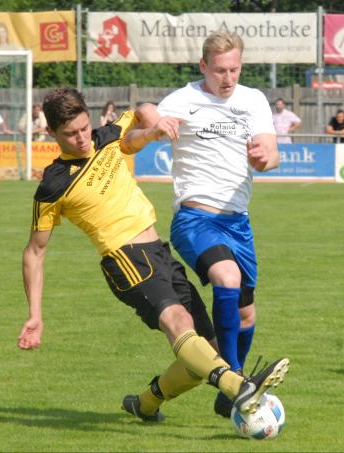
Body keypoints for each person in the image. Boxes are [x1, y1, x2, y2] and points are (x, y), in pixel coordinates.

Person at [18, 87, 289, 424]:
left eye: (85, 128)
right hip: (124, 258)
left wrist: (155, 127)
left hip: (159, 252)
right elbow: (34, 252)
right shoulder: (53, 185)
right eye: (70, 134)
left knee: (208, 350)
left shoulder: (107, 137)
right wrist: (35, 315)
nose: (82, 139)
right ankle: (239, 387)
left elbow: (143, 110)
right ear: (51, 133)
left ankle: (144, 403)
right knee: (180, 323)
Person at [153, 30, 285, 418]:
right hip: (195, 218)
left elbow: (272, 153)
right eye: (220, 71)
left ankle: (227, 393)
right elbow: (146, 112)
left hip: (238, 223)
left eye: (235, 69)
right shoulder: (182, 99)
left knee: (247, 315)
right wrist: (155, 122)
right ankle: (232, 378)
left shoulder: (253, 100)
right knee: (226, 277)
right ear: (204, 67)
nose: (228, 78)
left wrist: (265, 159)